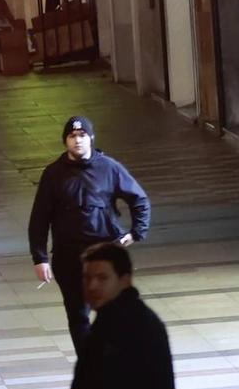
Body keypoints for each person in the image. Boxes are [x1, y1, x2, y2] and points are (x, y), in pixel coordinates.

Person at [28, 116, 152, 353]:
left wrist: (136, 233)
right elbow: (39, 219)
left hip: (104, 252)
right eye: (72, 136)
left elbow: (140, 200)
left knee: (113, 311)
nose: (78, 141)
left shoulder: (109, 168)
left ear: (91, 138)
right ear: (65, 141)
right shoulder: (53, 174)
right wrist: (40, 258)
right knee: (78, 315)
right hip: (69, 256)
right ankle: (90, 366)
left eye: (82, 136)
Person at [65, 241, 177, 389]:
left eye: (102, 278)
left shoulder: (132, 327)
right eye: (87, 278)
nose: (92, 286)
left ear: (124, 280)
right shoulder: (111, 321)